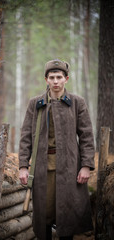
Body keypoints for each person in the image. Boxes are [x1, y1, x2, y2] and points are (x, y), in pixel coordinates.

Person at [19, 59, 95, 240]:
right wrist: (23, 166)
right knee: (44, 214)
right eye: (51, 77)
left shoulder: (77, 103)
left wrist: (86, 165)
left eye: (59, 77)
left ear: (66, 79)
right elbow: (26, 137)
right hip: (41, 169)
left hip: (70, 168)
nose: (55, 81)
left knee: (67, 215)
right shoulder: (35, 104)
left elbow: (86, 136)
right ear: (46, 79)